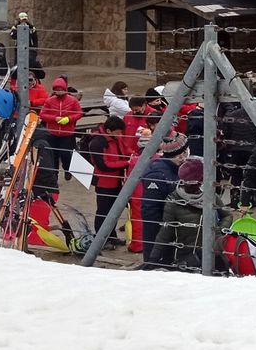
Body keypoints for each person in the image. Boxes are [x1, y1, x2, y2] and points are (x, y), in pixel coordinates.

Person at [145, 157, 213, 271]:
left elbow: (226, 215)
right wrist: (152, 259)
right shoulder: (173, 200)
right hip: (185, 256)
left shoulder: (210, 196)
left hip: (210, 252)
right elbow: (165, 232)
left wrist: (217, 233)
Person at [139, 132, 190, 260]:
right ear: (180, 154)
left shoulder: (178, 169)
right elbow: (150, 211)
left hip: (174, 229)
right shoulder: (157, 175)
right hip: (161, 233)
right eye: (185, 152)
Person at [86, 115, 132, 246]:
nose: (120, 135)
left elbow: (125, 150)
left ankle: (111, 236)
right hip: (104, 183)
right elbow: (103, 165)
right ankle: (101, 239)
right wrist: (126, 163)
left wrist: (134, 156)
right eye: (118, 132)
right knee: (103, 211)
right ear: (108, 131)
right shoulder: (97, 143)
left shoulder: (115, 138)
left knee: (114, 211)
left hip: (116, 180)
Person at [40, 77, 83, 179]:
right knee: (53, 154)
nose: (59, 92)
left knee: (66, 154)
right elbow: (43, 114)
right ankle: (54, 174)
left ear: (65, 89)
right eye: (57, 89)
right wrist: (55, 118)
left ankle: (67, 169)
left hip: (67, 133)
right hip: (53, 133)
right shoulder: (49, 101)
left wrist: (69, 119)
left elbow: (79, 113)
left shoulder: (72, 100)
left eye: (61, 89)